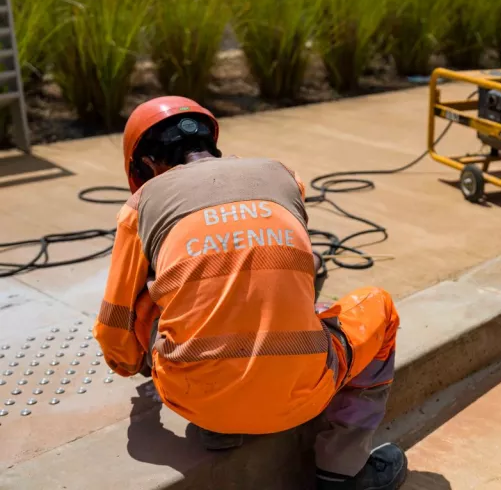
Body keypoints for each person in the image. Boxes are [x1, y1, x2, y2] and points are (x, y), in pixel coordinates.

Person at [93, 96, 408, 490]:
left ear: (146, 166)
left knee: (152, 302)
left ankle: (220, 427)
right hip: (304, 393)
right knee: (377, 307)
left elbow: (113, 331)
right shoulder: (282, 177)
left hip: (192, 398)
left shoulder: (140, 206)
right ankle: (343, 470)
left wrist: (134, 367)